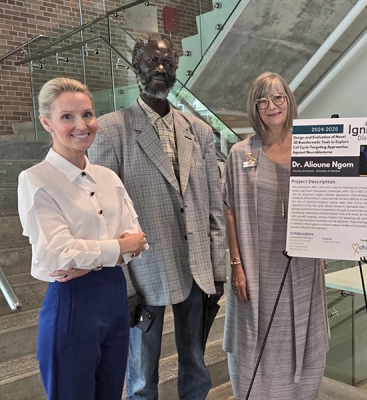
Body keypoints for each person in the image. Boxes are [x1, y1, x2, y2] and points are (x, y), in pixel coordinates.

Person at [87, 33, 226, 399]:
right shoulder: (112, 130)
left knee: (196, 366)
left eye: (168, 63)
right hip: (143, 272)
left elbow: (213, 206)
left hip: (196, 269)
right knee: (141, 377)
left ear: (177, 70)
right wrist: (125, 286)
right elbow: (103, 217)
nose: (161, 69)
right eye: (153, 61)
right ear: (137, 66)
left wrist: (218, 270)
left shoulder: (200, 131)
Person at [18, 77, 148, 399]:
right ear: (46, 122)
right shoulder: (36, 180)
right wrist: (116, 249)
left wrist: (90, 260)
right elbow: (56, 254)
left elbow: (139, 242)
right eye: (67, 117)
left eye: (87, 114)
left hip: (115, 295)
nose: (82, 125)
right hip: (72, 301)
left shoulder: (108, 177)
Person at [222, 72, 329, 399]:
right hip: (256, 266)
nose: (272, 105)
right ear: (255, 107)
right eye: (263, 100)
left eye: (278, 97)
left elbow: (328, 198)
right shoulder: (241, 153)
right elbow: (228, 208)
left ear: (289, 100)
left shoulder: (312, 146)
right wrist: (236, 264)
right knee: (258, 339)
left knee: (302, 335)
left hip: (302, 265)